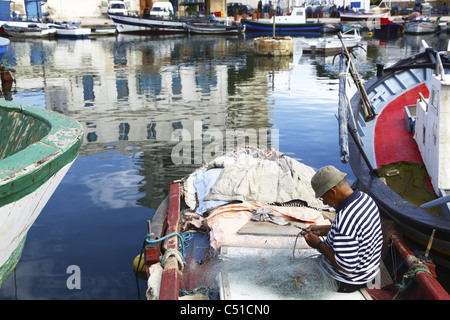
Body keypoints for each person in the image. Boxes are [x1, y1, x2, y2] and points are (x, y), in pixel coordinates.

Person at [302, 165, 383, 293]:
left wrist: (318, 244)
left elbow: (347, 266)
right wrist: (320, 229)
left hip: (347, 281)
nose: (324, 203)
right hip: (369, 273)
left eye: (323, 198)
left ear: (333, 192)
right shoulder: (365, 199)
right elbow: (353, 231)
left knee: (294, 276)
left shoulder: (346, 218)